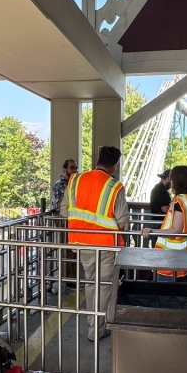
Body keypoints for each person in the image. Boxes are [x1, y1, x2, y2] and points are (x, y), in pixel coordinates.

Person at [66, 146, 129, 342]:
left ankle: (93, 325)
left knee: (91, 285)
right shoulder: (114, 186)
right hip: (105, 246)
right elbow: (122, 222)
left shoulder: (75, 180)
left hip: (80, 242)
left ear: (98, 159)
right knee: (103, 287)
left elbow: (63, 211)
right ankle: (97, 329)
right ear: (114, 165)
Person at [141, 165, 187, 278]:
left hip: (172, 259)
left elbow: (176, 229)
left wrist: (152, 231)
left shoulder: (179, 201)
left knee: (165, 293)